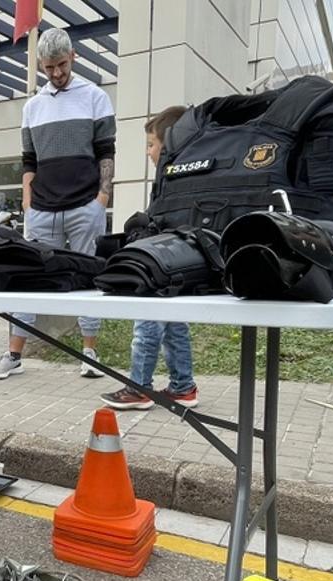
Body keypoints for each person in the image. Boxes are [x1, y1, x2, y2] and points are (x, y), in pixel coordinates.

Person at [0, 27, 115, 382]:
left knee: (89, 279)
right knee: (29, 281)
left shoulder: (95, 97)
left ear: (72, 56)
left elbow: (106, 153)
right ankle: (14, 355)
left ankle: (90, 353)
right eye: (48, 68)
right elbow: (29, 160)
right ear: (41, 65)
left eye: (60, 65)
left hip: (84, 205)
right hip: (41, 208)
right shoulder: (32, 106)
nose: (56, 74)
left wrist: (101, 200)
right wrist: (28, 201)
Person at [100, 106, 199, 410]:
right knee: (174, 325)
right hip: (180, 265)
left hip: (162, 264)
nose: (148, 152)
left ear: (168, 145)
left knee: (147, 322)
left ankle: (139, 387)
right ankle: (183, 386)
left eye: (151, 144)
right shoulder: (188, 176)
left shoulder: (171, 180)